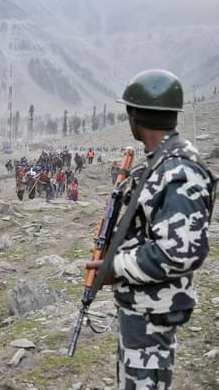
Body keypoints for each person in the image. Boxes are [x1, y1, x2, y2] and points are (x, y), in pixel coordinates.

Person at [85, 70, 217, 390]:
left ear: (135, 115)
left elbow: (179, 252)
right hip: (143, 310)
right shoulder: (161, 162)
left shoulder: (178, 169)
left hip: (153, 316)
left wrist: (115, 267)